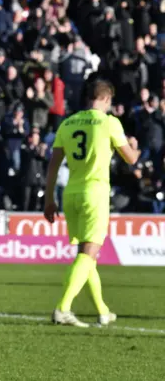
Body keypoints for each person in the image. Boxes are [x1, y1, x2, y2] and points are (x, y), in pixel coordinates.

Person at [44, 80, 139, 327]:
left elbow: (53, 165)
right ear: (106, 99)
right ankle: (63, 308)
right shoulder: (109, 122)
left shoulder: (67, 123)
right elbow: (129, 159)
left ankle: (103, 311)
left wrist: (48, 198)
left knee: (86, 257)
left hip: (70, 194)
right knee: (88, 255)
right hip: (94, 193)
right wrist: (135, 148)